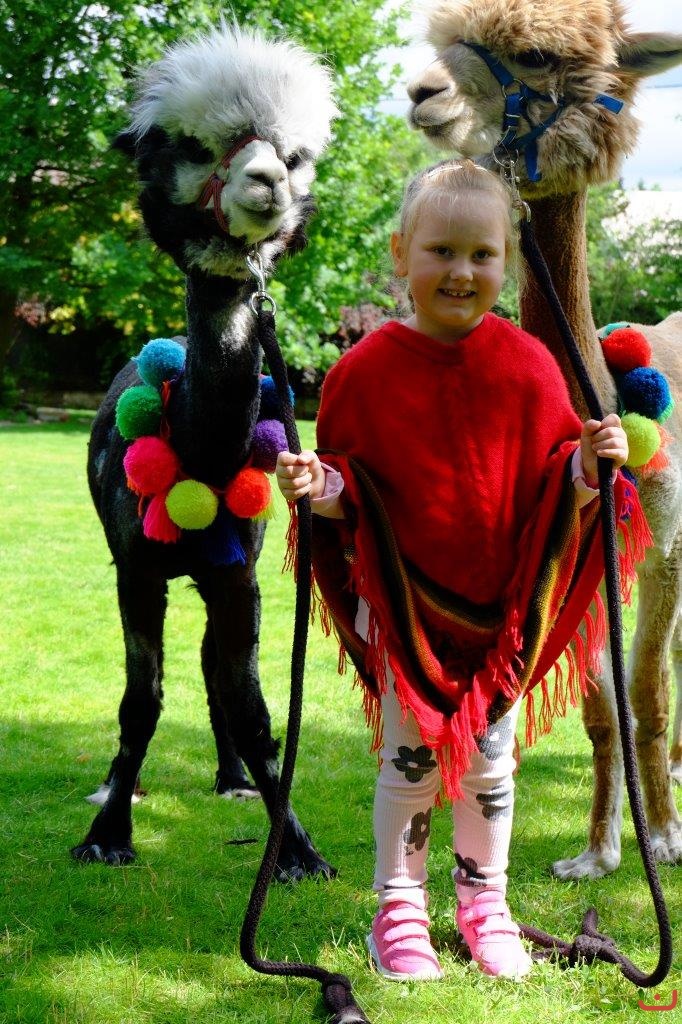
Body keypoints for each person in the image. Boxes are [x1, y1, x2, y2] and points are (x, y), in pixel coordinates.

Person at [275, 160, 641, 983]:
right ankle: (399, 908)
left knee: (489, 764)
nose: (462, 271)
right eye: (441, 250)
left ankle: (485, 903)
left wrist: (590, 465)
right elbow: (352, 492)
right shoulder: (363, 373)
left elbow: (556, 478)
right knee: (409, 765)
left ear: (508, 260)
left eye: (482, 254)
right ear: (401, 253)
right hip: (407, 613)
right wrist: (317, 486)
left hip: (504, 618)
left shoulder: (528, 366)